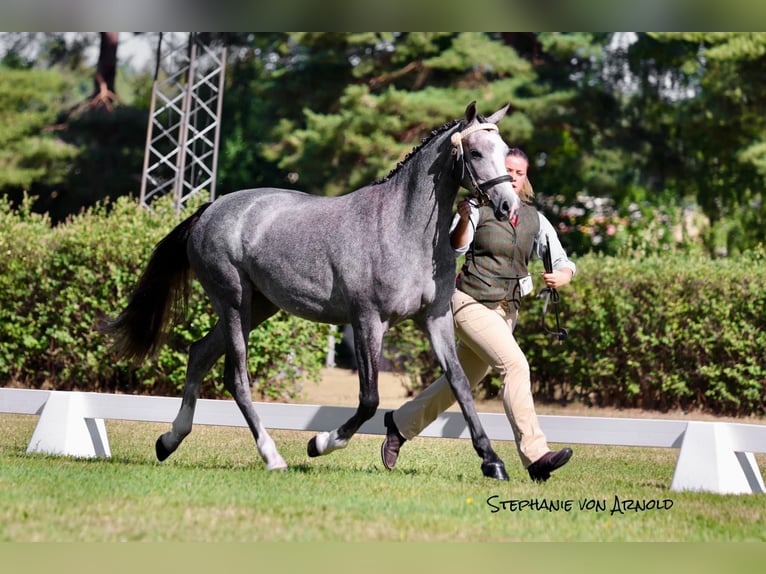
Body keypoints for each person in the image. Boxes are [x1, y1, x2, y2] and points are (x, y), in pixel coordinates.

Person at [381, 147, 575, 482]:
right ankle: (536, 455)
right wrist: (465, 218)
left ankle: (399, 426)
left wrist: (563, 276)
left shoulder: (535, 218)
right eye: (508, 169)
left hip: (505, 311)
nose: (513, 176)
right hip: (468, 303)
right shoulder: (476, 207)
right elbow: (457, 247)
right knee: (515, 365)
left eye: (519, 172)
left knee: (460, 381)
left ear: (525, 177)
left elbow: (563, 261)